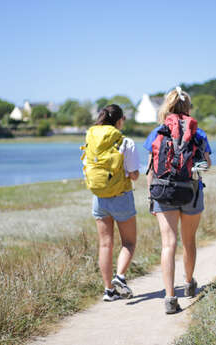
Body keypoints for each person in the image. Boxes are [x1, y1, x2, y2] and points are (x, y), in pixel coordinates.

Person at [144, 87, 212, 314]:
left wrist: (151, 196)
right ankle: (189, 283)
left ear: (167, 106)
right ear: (188, 107)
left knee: (168, 245)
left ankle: (170, 297)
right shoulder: (198, 132)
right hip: (191, 191)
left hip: (163, 192)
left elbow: (151, 169)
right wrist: (192, 169)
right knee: (189, 241)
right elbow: (207, 165)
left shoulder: (158, 132)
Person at [81, 104, 140, 302]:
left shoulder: (91, 139)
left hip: (99, 198)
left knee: (105, 245)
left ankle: (108, 291)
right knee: (129, 243)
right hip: (121, 196)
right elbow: (134, 175)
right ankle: (120, 277)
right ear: (119, 120)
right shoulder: (126, 142)